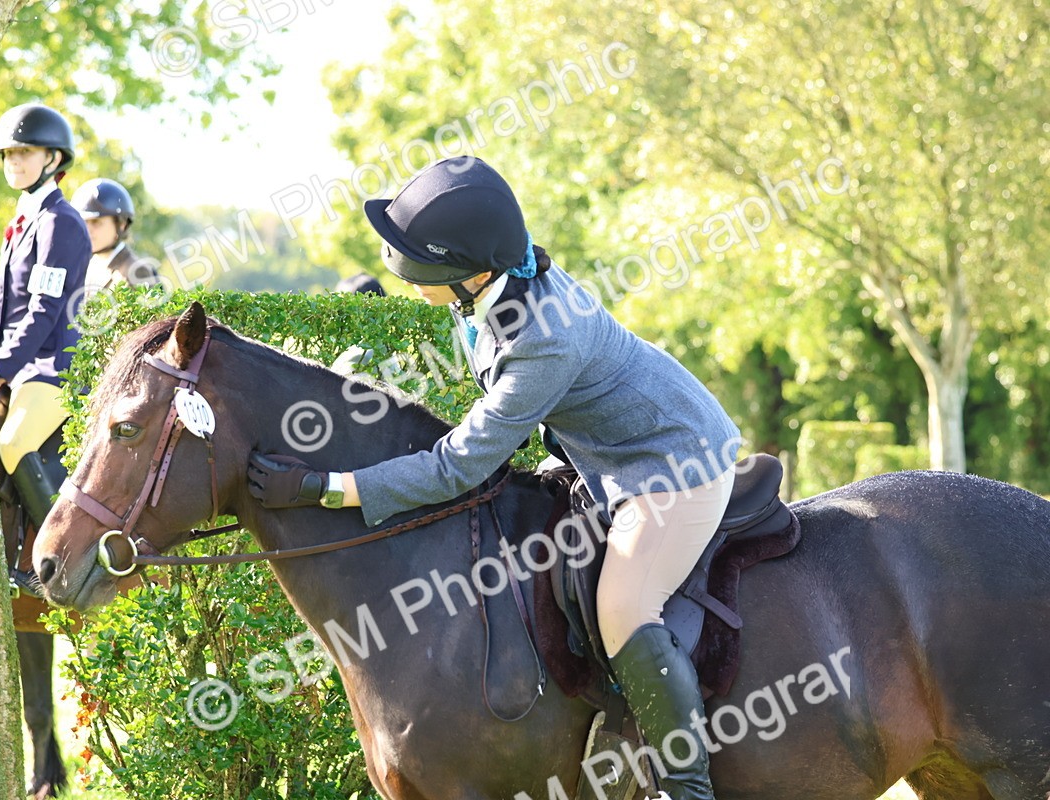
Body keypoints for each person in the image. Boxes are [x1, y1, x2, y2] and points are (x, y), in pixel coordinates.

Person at [247, 156, 740, 800]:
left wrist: (326, 488)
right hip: (604, 457)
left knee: (624, 608)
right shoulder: (490, 291)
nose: (407, 280)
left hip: (673, 465)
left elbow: (460, 464)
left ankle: (686, 784)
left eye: (420, 269)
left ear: (471, 272)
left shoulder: (544, 336)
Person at [0, 103, 90, 530]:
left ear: (53, 159)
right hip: (18, 367)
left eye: (24, 152)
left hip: (51, 368)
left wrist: (0, 370)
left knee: (13, 441)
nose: (14, 161)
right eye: (8, 154)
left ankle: (61, 559)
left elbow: (43, 311)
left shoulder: (60, 222)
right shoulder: (22, 221)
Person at [70, 177, 161, 297]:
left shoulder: (137, 271)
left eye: (96, 222)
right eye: (84, 222)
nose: (88, 230)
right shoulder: (92, 263)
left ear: (121, 225)